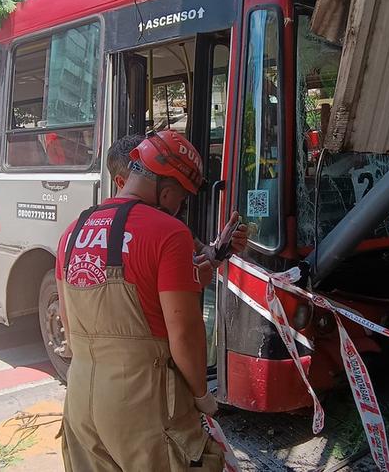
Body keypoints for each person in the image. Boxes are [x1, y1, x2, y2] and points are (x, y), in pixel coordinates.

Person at [57, 130, 225, 471]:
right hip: (143, 406)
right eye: (182, 197)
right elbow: (185, 336)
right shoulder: (169, 232)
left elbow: (68, 322)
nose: (180, 206)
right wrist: (201, 397)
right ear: (167, 190)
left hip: (80, 401)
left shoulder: (72, 233)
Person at [106, 134, 248, 284]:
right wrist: (189, 281)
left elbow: (202, 253)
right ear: (121, 182)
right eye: (140, 171)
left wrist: (221, 248)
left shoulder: (168, 225)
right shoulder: (112, 233)